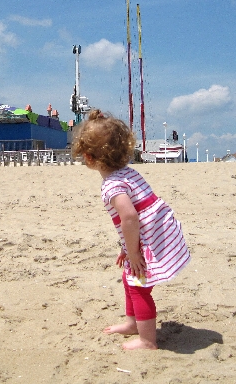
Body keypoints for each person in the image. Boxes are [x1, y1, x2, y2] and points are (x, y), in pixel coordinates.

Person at [72, 109, 190, 350]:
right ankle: (132, 323)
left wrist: (135, 252)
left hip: (151, 240)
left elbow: (129, 217)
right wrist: (128, 248)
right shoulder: (129, 173)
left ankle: (147, 340)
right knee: (130, 279)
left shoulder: (112, 185)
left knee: (139, 287)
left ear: (88, 157)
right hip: (157, 233)